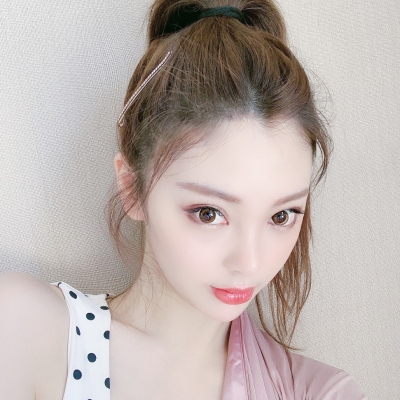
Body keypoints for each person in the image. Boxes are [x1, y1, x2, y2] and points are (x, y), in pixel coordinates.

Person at [0, 0, 367, 399]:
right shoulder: (26, 329)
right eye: (209, 213)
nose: (249, 263)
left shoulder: (319, 392)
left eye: (281, 216)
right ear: (132, 188)